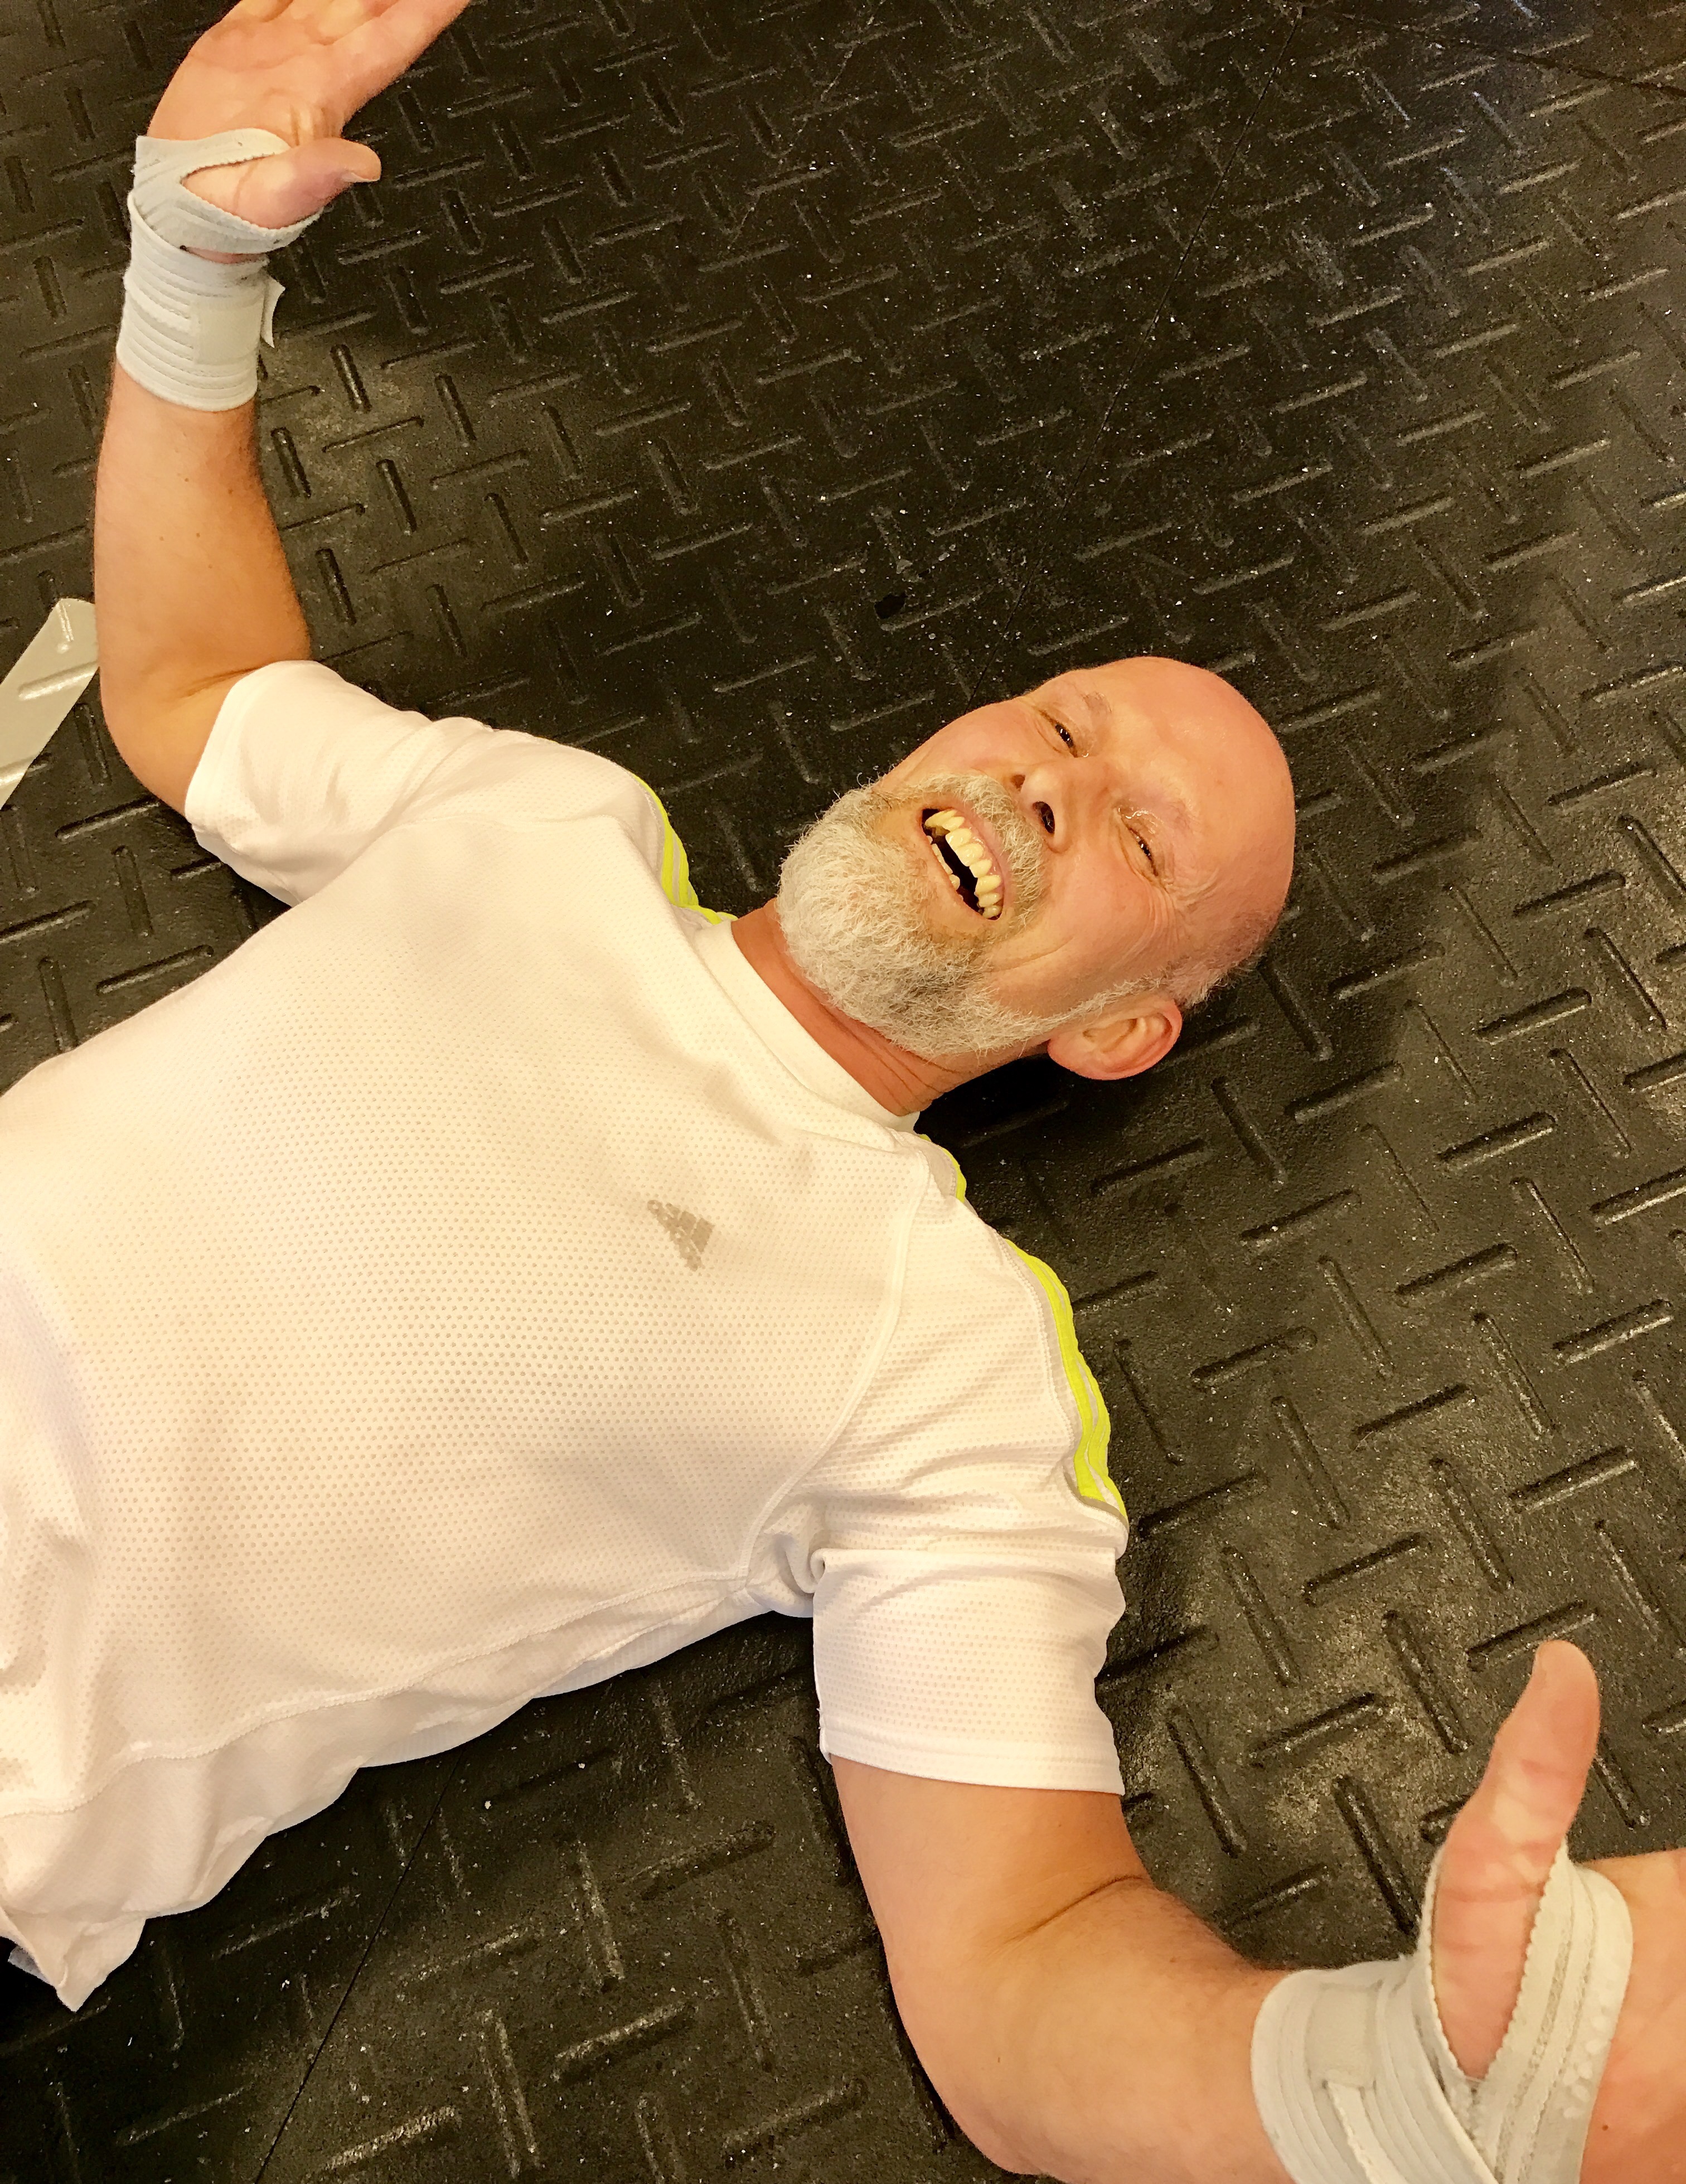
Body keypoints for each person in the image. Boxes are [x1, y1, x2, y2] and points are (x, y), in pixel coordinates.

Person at [3, 3, 1680, 2178]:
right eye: (1062, 722)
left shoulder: (944, 1361)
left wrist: (1390, 2086)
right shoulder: (540, 822)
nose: (1057, 782)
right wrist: (191, 251)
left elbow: (1023, 1971)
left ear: (1119, 1026)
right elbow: (199, 685)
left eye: (1140, 837)